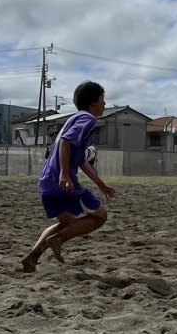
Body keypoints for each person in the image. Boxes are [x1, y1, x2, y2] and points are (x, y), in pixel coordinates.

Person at [21, 81, 116, 272]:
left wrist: (101, 184)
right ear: (93, 102)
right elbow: (66, 141)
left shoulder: (73, 118)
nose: (105, 104)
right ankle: (58, 240)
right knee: (100, 216)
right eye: (102, 99)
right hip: (63, 182)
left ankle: (31, 258)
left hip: (47, 182)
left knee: (65, 223)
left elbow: (81, 160)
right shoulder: (87, 119)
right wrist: (64, 173)